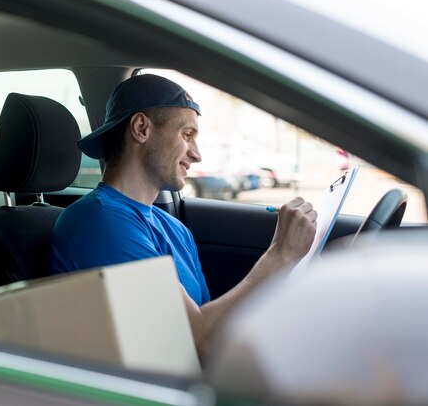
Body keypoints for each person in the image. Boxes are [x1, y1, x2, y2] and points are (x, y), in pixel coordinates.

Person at [50, 74, 317, 354]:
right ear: (141, 129)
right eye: (186, 135)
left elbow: (206, 322)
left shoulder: (173, 228)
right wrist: (280, 256)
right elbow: (194, 340)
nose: (197, 154)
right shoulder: (99, 222)